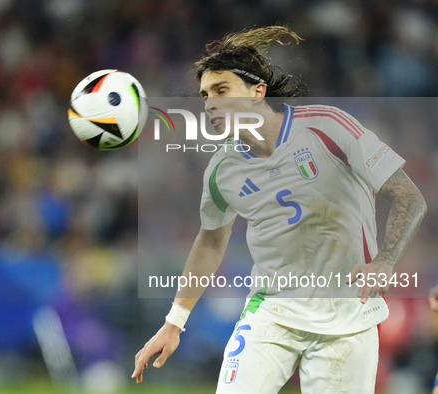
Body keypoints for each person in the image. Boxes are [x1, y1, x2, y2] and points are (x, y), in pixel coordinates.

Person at [132, 26, 427, 393]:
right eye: (205, 95)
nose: (208, 104)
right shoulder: (222, 169)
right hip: (271, 313)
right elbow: (210, 243)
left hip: (349, 318)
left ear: (258, 92)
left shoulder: (328, 127)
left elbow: (410, 198)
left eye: (221, 91)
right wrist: (174, 322)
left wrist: (385, 261)